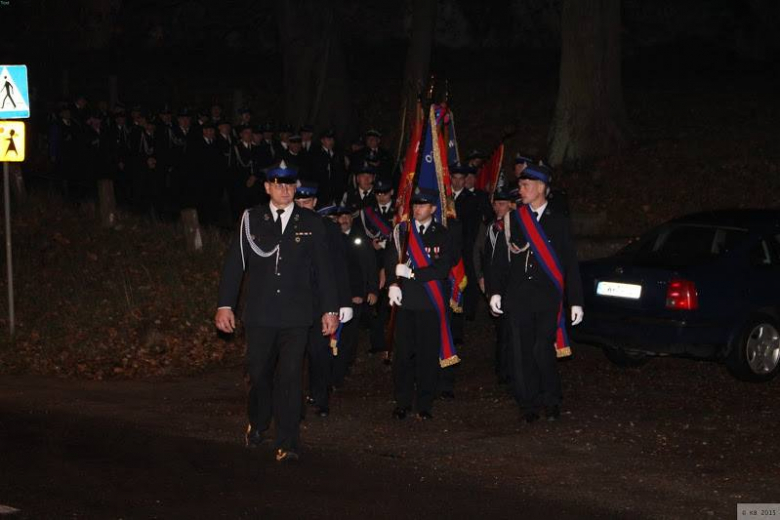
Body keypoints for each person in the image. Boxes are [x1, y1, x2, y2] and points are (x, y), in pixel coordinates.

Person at [215, 161, 339, 462]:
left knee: (291, 376)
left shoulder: (310, 222)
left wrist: (330, 309)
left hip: (297, 315)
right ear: (267, 187)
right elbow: (235, 265)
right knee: (259, 374)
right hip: (260, 314)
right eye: (278, 184)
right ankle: (258, 422)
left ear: (295, 187)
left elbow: (324, 270)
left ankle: (288, 440)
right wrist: (225, 304)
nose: (285, 189)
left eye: (289, 184)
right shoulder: (251, 220)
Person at [487, 164, 584, 424]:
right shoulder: (513, 219)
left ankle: (551, 399)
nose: (521, 190)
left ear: (541, 187)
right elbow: (499, 261)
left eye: (526, 185)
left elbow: (570, 263)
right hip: (518, 297)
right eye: (520, 185)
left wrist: (575, 301)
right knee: (520, 352)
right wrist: (495, 292)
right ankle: (527, 402)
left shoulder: (559, 221)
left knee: (543, 349)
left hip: (547, 298)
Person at [385, 187, 454, 420]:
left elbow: (443, 268)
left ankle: (425, 403)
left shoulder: (442, 234)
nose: (417, 209)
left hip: (429, 303)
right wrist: (393, 284)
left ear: (433, 208)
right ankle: (402, 401)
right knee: (403, 356)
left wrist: (413, 274)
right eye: (414, 205)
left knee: (426, 355)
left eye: (422, 205)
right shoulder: (402, 232)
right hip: (405, 303)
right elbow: (391, 260)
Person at [294, 181, 352, 418]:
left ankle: (321, 397)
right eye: (298, 202)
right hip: (294, 300)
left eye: (306, 202)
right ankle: (294, 399)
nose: (302, 206)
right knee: (294, 353)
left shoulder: (328, 228)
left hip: (320, 300)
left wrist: (343, 301)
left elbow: (339, 266)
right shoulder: (288, 225)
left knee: (319, 353)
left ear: (315, 203)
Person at [331, 205, 378, 388]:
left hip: (356, 297)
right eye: (340, 217)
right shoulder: (330, 237)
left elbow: (370, 265)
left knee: (348, 339)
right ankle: (332, 372)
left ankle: (340, 374)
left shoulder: (361, 238)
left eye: (347, 216)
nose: (344, 220)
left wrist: (371, 290)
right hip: (334, 297)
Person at [474, 189, 515, 385]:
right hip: (495, 284)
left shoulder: (517, 226)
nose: (499, 207)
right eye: (496, 204)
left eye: (503, 203)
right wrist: (482, 277)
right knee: (502, 329)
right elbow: (480, 253)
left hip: (514, 286)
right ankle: (502, 369)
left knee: (512, 329)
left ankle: (512, 368)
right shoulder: (490, 227)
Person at [359, 179, 395, 354]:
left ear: (391, 193)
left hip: (395, 262)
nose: (381, 196)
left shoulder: (400, 211)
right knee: (377, 304)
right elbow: (366, 236)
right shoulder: (368, 212)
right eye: (378, 193)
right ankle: (377, 342)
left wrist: (384, 244)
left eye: (385, 193)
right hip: (375, 262)